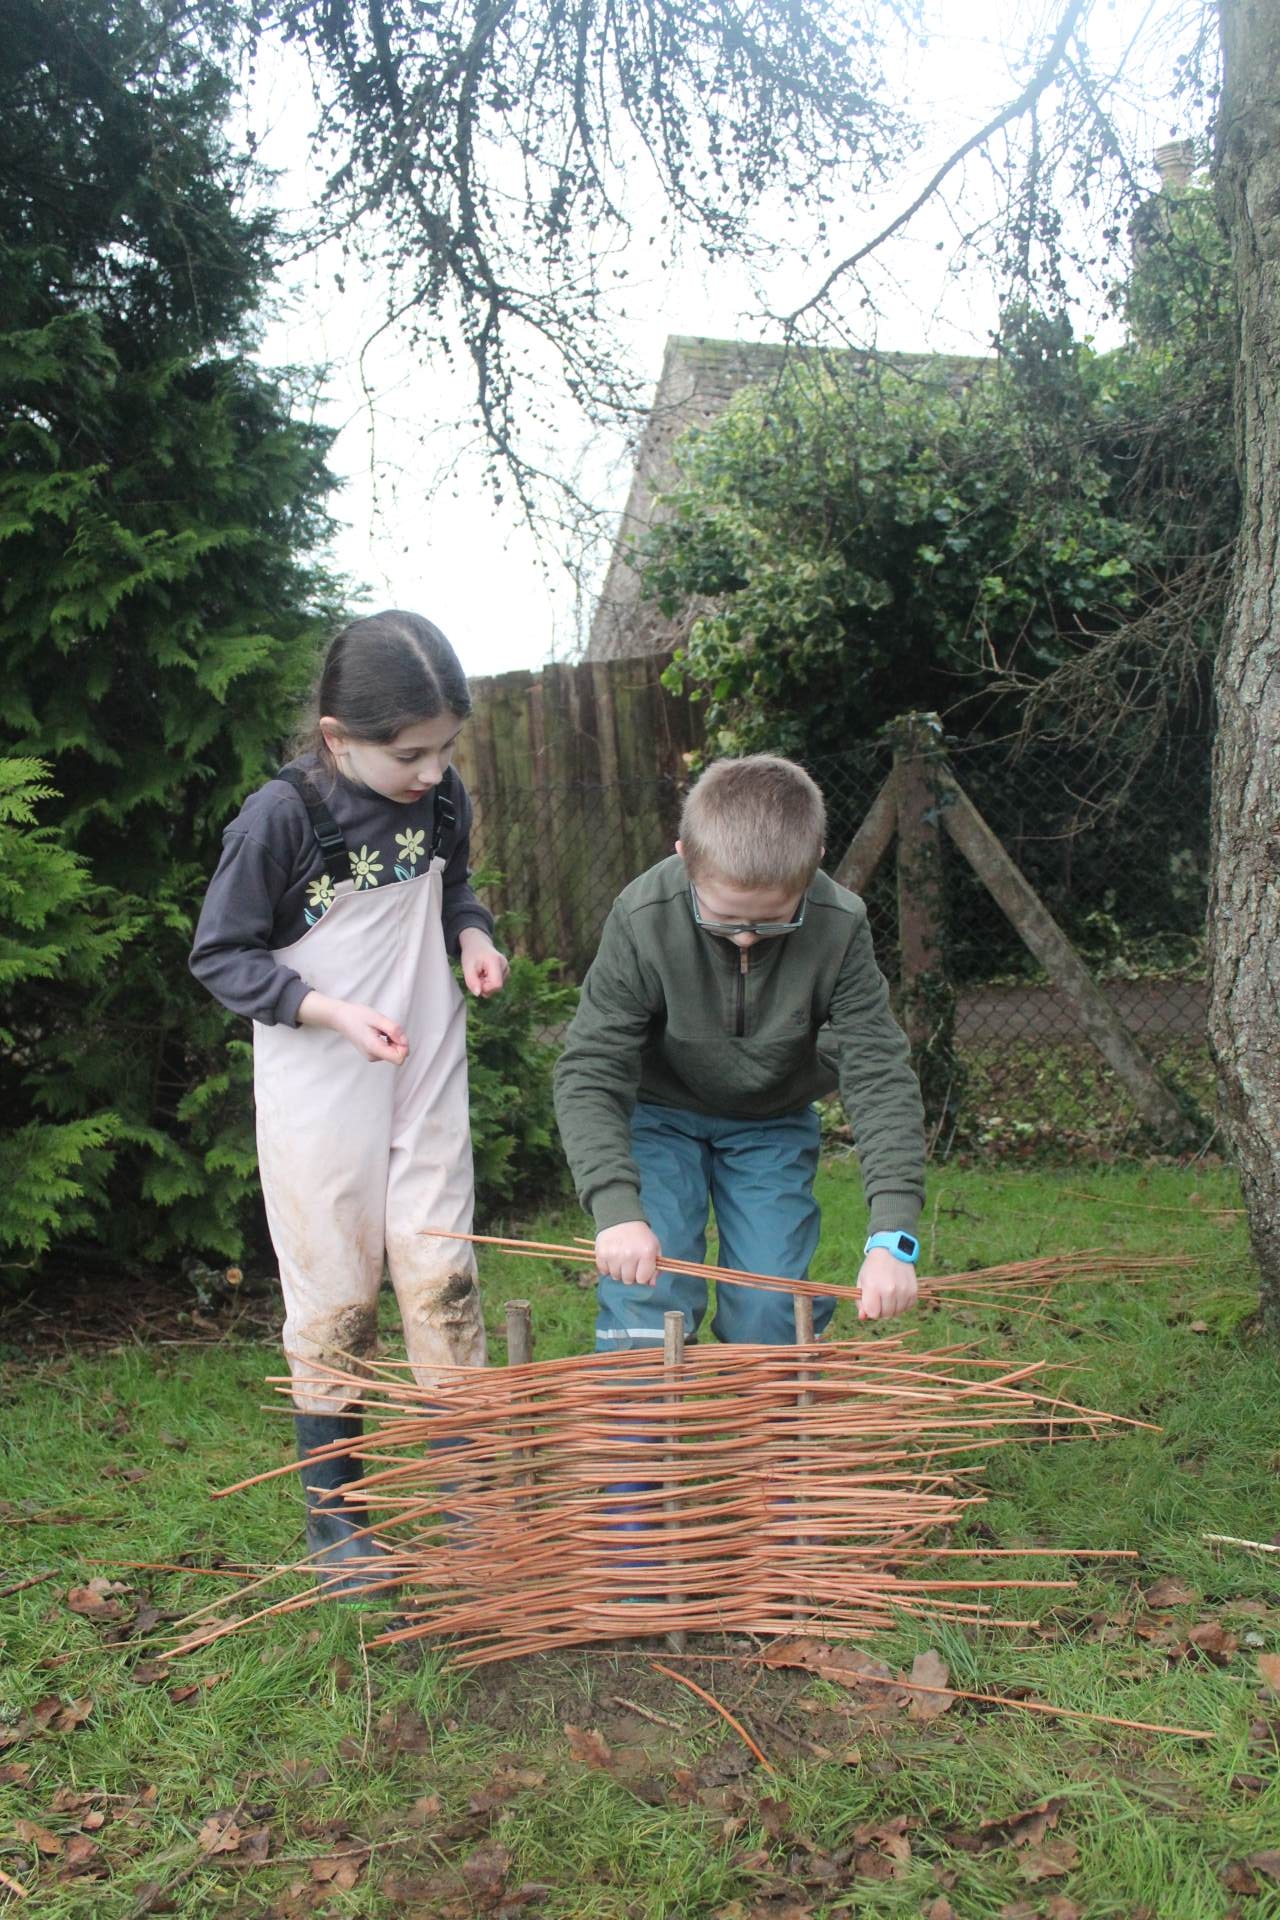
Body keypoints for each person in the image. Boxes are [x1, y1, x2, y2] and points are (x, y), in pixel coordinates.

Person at [190, 609, 508, 1592]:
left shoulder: (440, 798)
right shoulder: (280, 819)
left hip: (423, 1071)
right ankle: (338, 1519)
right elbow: (220, 954)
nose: (432, 771)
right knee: (334, 1294)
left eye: (446, 749)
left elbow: (454, 888)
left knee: (442, 1272)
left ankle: (470, 1505)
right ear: (337, 737)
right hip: (320, 1091)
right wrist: (326, 1010)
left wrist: (472, 935)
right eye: (410, 754)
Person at [553, 755, 925, 1353]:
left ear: (813, 866)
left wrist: (892, 1237)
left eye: (773, 922)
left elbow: (878, 1076)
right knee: (647, 1289)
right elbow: (591, 1068)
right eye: (723, 920)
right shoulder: (643, 917)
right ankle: (636, 1413)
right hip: (658, 1116)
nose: (747, 936)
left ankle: (770, 1411)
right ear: (685, 857)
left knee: (769, 1307)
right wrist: (617, 1209)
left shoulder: (839, 925)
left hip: (770, 1124)